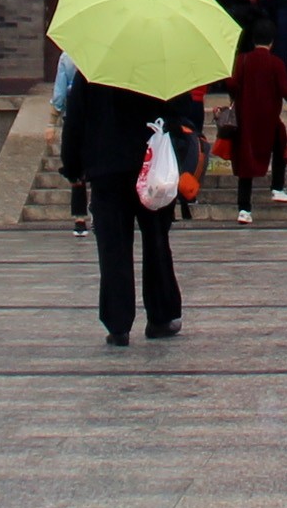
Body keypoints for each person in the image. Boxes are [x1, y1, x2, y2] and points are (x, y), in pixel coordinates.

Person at [63, 67, 198, 346]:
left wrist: (73, 166)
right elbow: (184, 110)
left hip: (107, 169)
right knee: (157, 242)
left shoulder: (92, 70)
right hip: (153, 169)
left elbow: (74, 119)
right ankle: (161, 317)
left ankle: (118, 323)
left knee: (113, 247)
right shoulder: (162, 67)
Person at [224, 20, 287, 224]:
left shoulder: (242, 60)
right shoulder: (276, 63)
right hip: (270, 120)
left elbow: (231, 83)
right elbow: (285, 90)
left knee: (246, 161)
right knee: (280, 147)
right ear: (272, 41)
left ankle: (244, 209)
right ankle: (277, 187)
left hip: (246, 119)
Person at [50, 48, 88, 235]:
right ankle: (100, 215)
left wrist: (51, 122)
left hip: (73, 118)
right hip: (98, 120)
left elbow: (59, 92)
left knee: (76, 170)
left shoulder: (68, 56)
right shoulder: (104, 54)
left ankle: (80, 218)